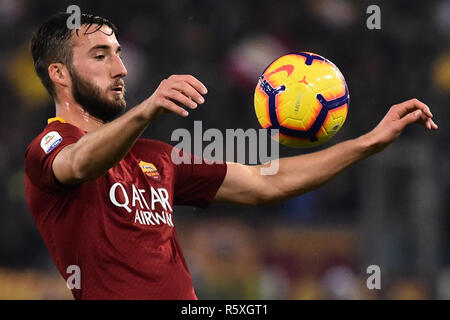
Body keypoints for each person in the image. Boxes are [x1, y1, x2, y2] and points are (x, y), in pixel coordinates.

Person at [25, 13, 437, 300]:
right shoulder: (48, 148)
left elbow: (265, 182)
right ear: (59, 74)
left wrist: (368, 143)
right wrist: (148, 109)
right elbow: (79, 163)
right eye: (101, 56)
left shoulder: (155, 157)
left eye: (117, 53)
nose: (121, 68)